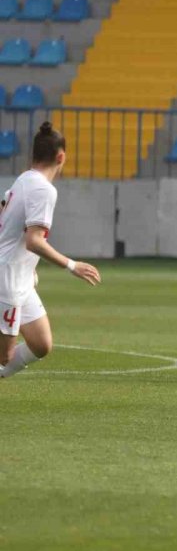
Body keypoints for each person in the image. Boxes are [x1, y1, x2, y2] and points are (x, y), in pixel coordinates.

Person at [0, 122, 101, 379]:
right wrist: (72, 266)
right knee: (4, 356)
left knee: (41, 343)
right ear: (61, 157)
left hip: (19, 276)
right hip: (8, 278)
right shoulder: (44, 190)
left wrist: (28, 268)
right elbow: (34, 240)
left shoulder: (24, 179)